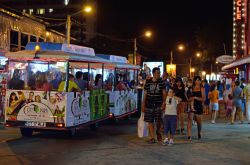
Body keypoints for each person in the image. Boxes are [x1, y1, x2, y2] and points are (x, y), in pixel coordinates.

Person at [142, 67, 166, 143]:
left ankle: (158, 131)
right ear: (153, 73)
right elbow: (145, 94)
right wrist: (143, 104)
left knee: (159, 121)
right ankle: (152, 138)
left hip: (158, 104)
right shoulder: (148, 82)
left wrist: (164, 103)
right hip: (149, 104)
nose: (158, 74)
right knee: (150, 121)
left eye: (159, 73)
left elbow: (164, 93)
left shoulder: (161, 82)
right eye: (157, 73)